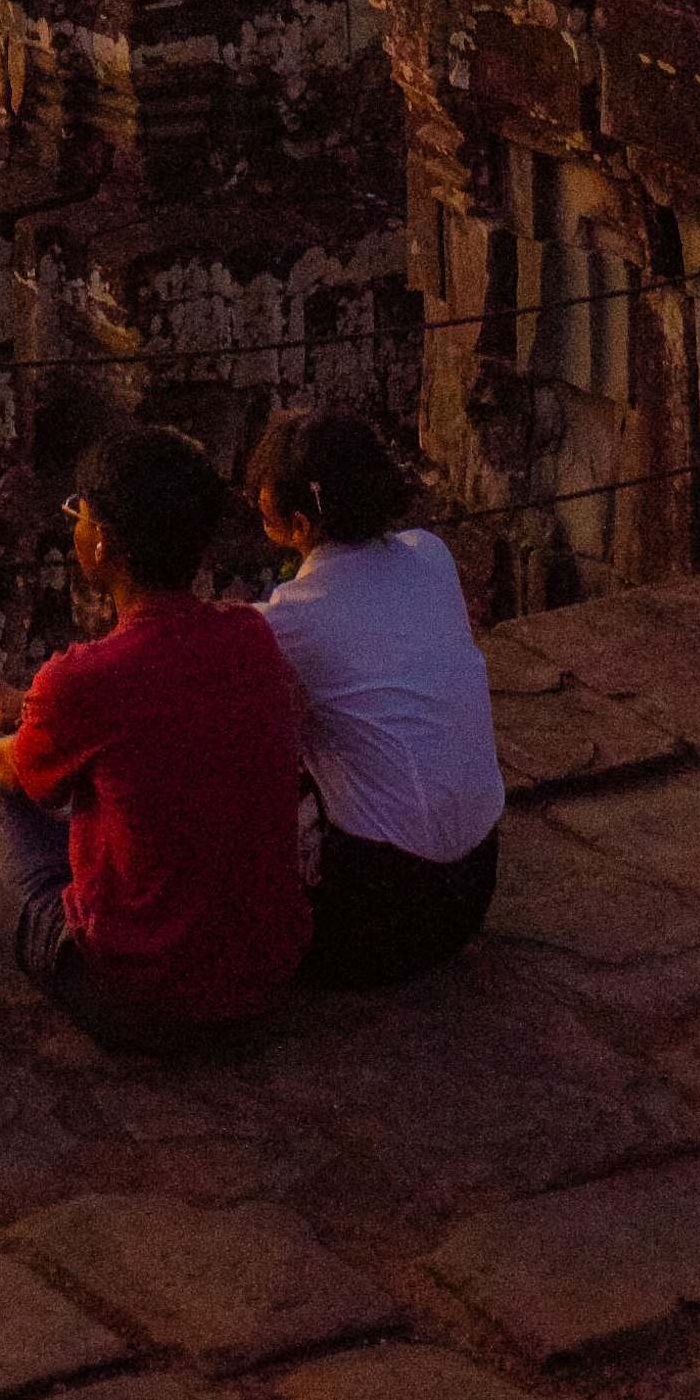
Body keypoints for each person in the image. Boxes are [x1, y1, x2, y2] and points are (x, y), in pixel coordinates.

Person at [0, 423, 307, 1056]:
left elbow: (6, 766)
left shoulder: (88, 678)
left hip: (132, 998)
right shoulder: (250, 639)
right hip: (262, 985)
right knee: (104, 784)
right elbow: (150, 727)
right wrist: (26, 704)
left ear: (100, 546)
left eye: (81, 513)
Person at [247, 403, 504, 987]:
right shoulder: (430, 555)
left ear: (303, 524)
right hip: (473, 886)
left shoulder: (294, 621)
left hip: (377, 914)